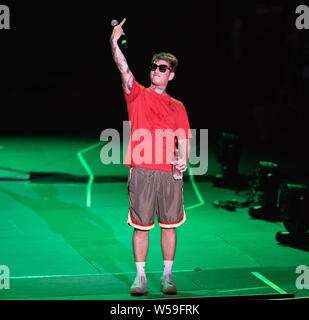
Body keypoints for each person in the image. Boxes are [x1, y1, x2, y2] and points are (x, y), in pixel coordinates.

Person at [110, 18, 191, 296]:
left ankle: (167, 277)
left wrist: (185, 160)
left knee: (169, 226)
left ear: (171, 75)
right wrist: (113, 41)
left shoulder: (177, 106)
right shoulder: (137, 94)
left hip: (170, 172)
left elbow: (185, 138)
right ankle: (140, 277)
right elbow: (123, 67)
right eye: (154, 67)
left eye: (162, 68)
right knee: (141, 226)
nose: (156, 71)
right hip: (142, 170)